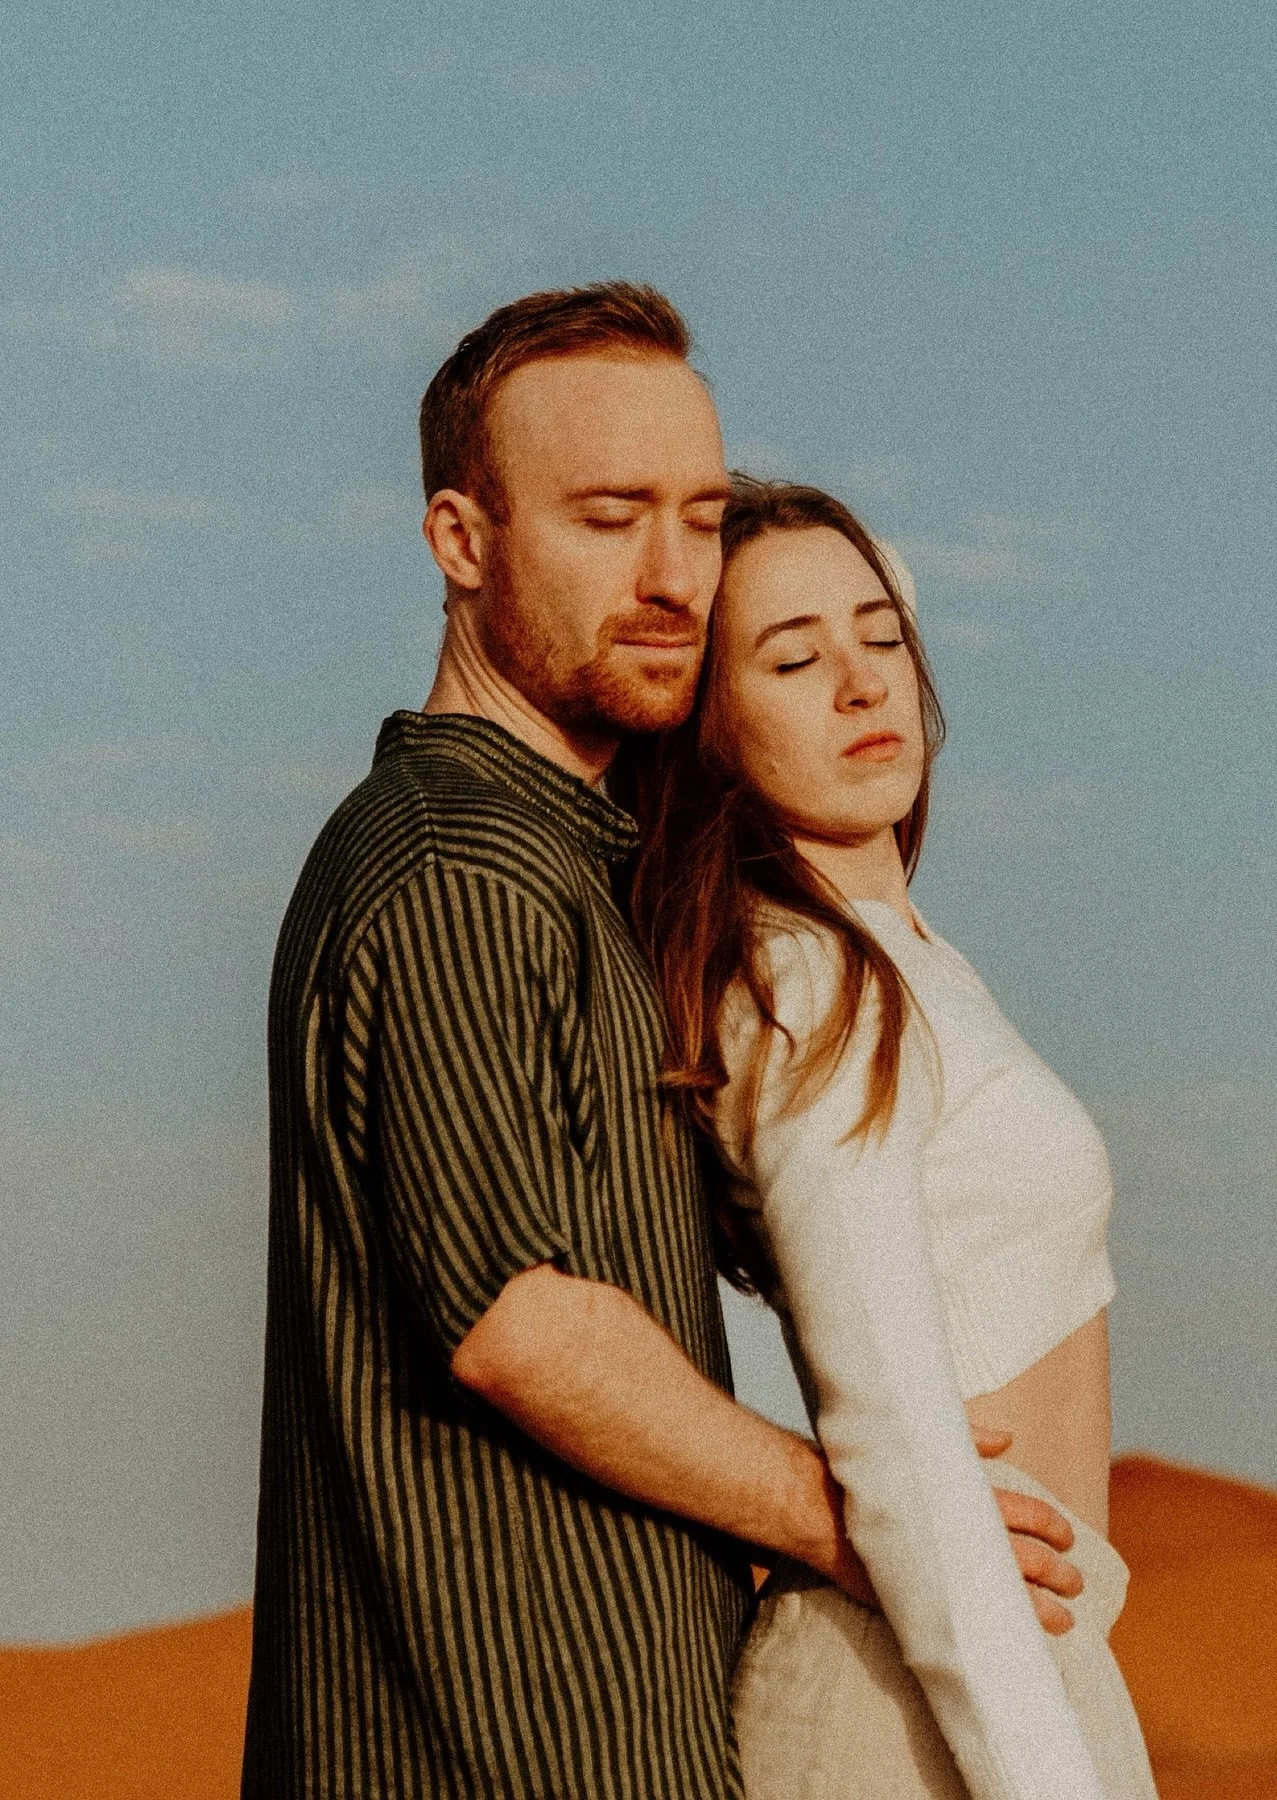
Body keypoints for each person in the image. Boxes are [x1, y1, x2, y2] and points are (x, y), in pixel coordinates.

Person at [242, 285, 1086, 1800]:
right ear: (462, 540)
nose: (672, 575)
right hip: (495, 1756)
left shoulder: (580, 872)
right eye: (609, 515)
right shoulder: (458, 861)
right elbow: (514, 1317)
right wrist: (860, 1514)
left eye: (698, 519)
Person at [625, 477, 1160, 1798]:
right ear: (713, 729)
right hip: (919, 1689)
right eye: (795, 659)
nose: (864, 684)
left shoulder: (902, 958)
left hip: (1016, 1658)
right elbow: (895, 1431)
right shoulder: (807, 983)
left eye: (882, 635)